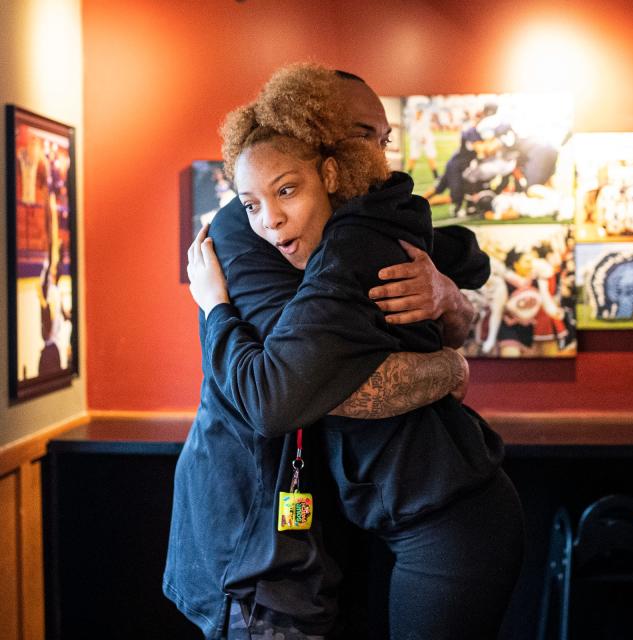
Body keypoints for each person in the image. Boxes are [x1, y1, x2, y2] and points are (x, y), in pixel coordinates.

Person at [185, 63, 524, 639]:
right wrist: (448, 367)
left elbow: (465, 260)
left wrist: (449, 301)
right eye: (367, 135)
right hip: (255, 536)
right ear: (325, 140)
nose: (381, 156)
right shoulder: (254, 233)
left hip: (393, 518)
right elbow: (286, 391)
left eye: (385, 140)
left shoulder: (356, 228)